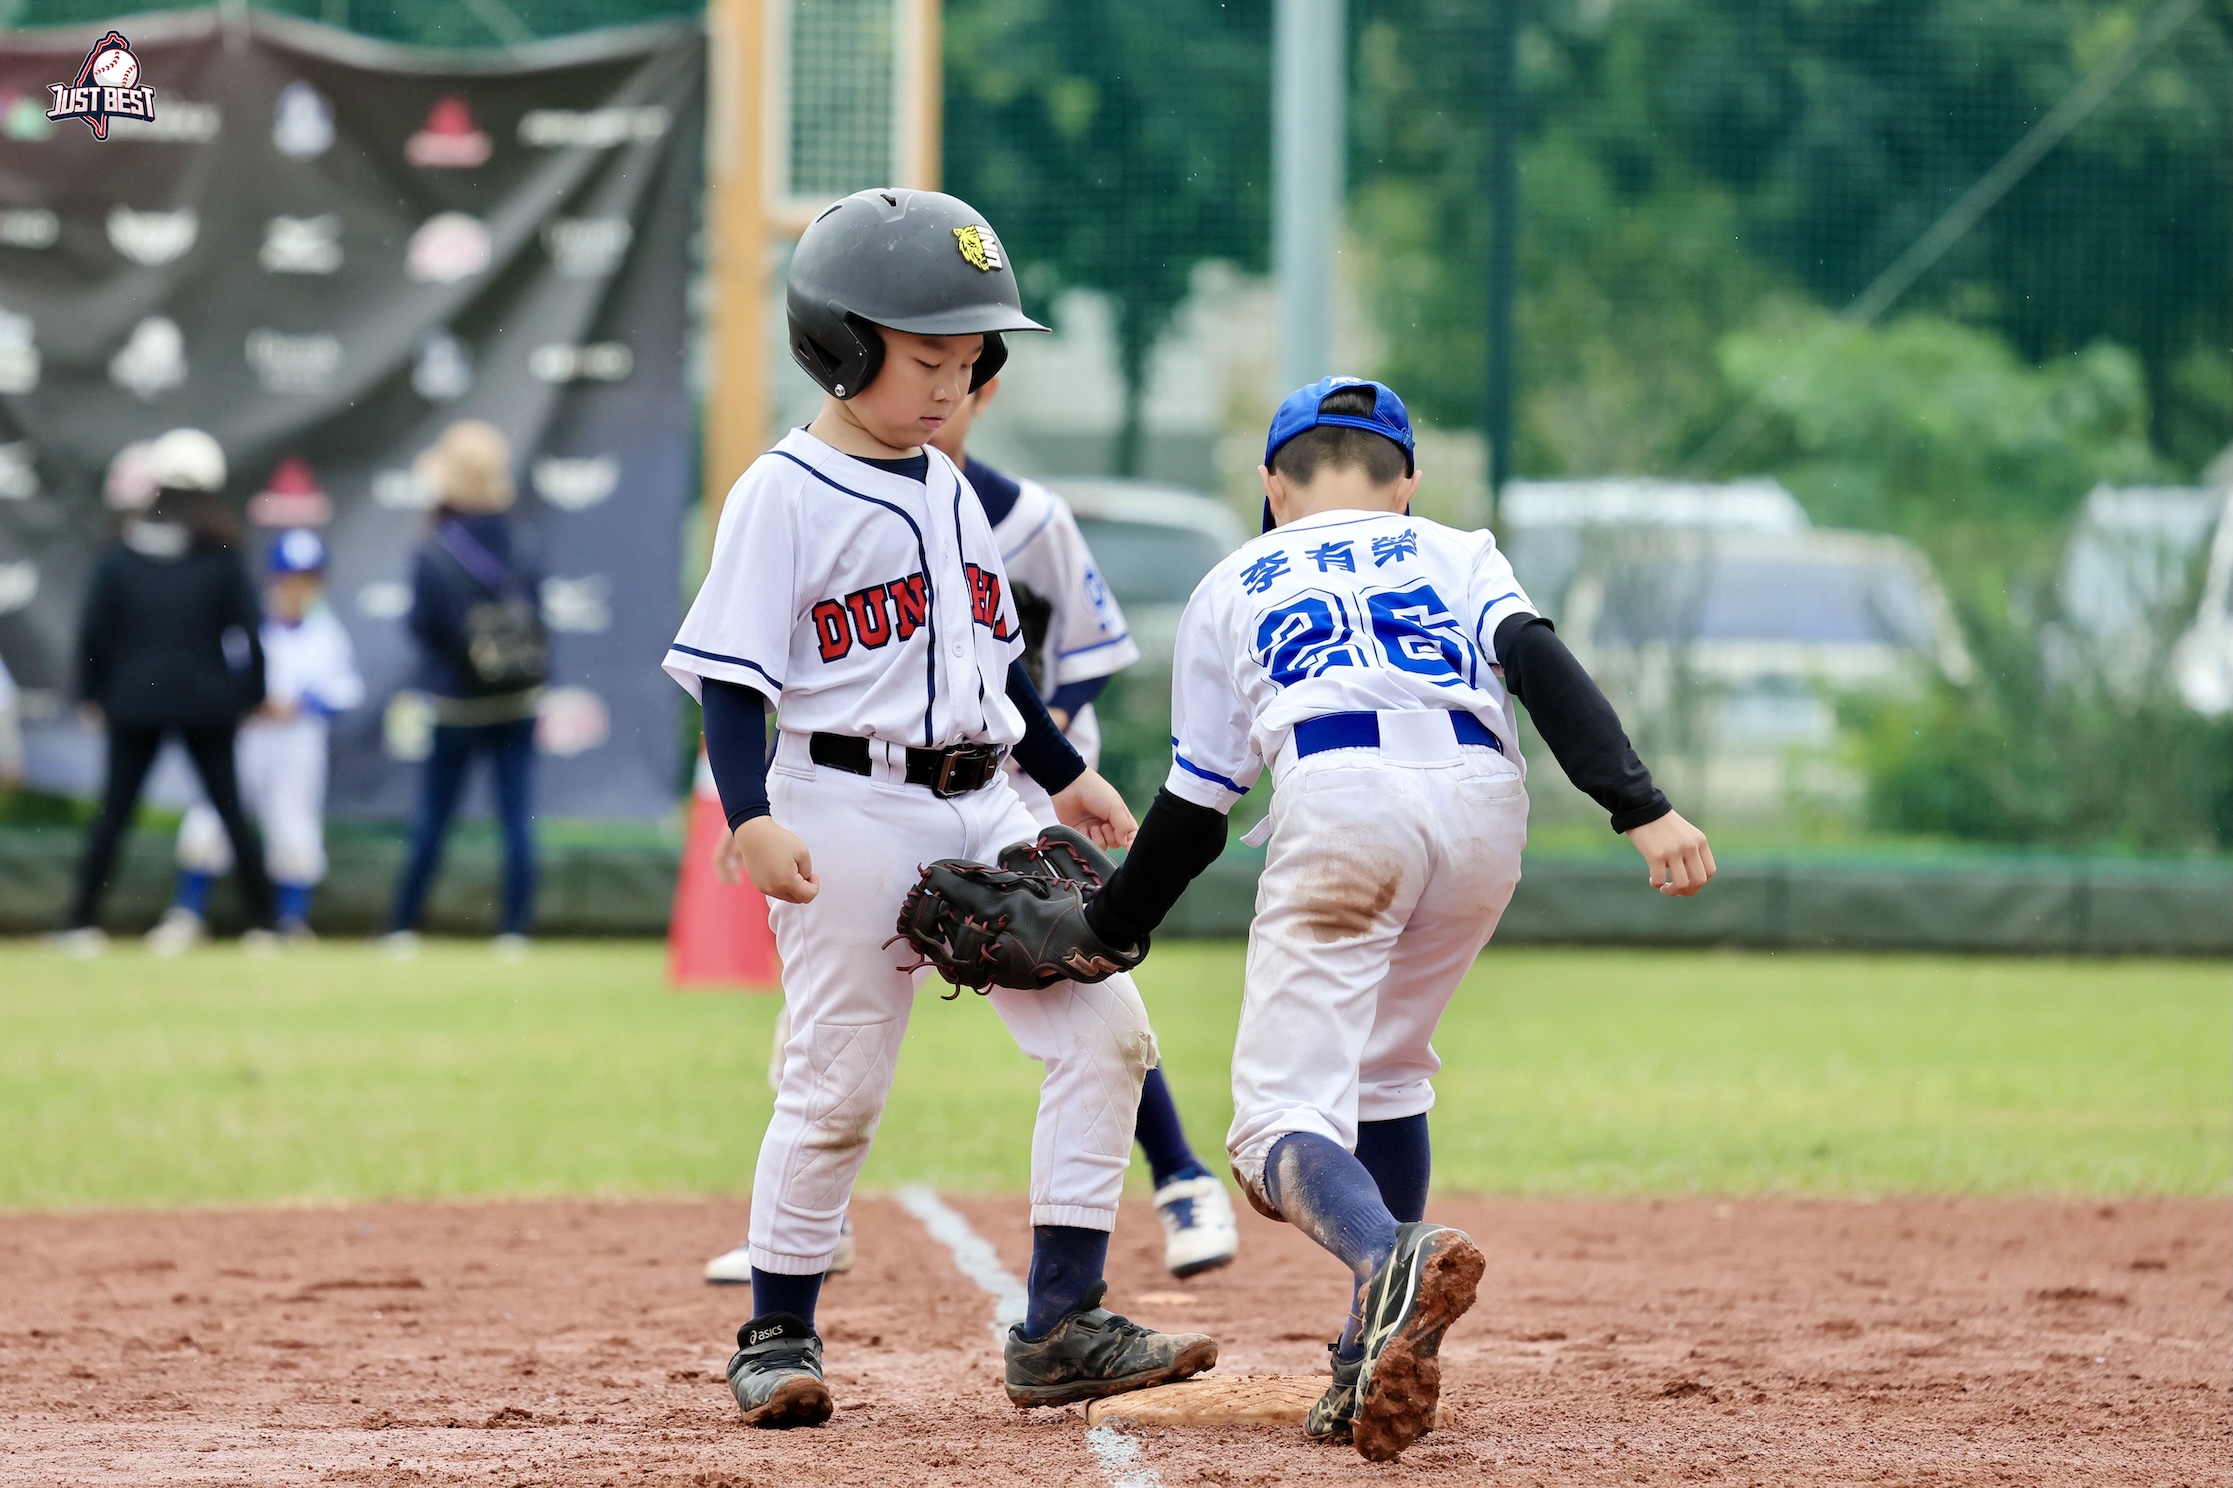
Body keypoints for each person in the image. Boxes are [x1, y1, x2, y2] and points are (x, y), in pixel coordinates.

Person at [1075, 378, 1716, 1460]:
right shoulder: (1457, 552)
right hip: (1482, 809)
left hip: (1342, 802)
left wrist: (1110, 924)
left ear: (1272, 485)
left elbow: (1196, 803)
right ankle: (1363, 1356)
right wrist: (1641, 809)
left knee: (1273, 1127)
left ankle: (1387, 1258)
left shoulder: (1232, 580)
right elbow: (1539, 666)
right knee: (1386, 1074)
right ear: (1405, 482)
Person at [663, 187, 1216, 1429]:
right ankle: (777, 1334)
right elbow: (731, 678)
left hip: (988, 800)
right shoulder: (782, 492)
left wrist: (1061, 769)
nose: (952, 385)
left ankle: (1062, 1325)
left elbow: (994, 661)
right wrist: (749, 818)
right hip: (841, 804)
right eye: (927, 359)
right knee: (837, 1084)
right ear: (840, 343)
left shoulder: (951, 488)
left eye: (969, 363)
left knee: (1110, 1033)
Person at [58, 428, 276, 956]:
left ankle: (81, 923)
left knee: (114, 813)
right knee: (230, 811)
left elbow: (93, 633)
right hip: (207, 703)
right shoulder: (221, 554)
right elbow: (251, 633)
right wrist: (252, 696)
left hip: (134, 701)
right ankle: (267, 924)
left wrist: (94, 694)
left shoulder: (120, 552)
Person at [150, 528, 364, 952]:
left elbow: (345, 691)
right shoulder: (247, 624)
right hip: (246, 736)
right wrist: (250, 702)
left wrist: (300, 703)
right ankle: (188, 914)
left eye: (307, 579)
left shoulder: (327, 632)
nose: (297, 589)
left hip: (297, 740)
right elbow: (220, 677)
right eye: (289, 578)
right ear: (272, 579)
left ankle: (288, 920)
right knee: (213, 815)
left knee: (293, 823)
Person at [381, 420, 546, 959]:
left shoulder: (433, 548)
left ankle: (402, 927)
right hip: (517, 699)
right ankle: (515, 930)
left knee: (433, 817)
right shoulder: (523, 537)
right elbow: (538, 615)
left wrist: (458, 657)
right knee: (517, 818)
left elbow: (421, 627)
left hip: (455, 703)